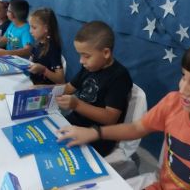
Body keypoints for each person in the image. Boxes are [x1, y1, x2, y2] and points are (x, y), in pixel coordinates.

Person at [58, 36, 190, 189]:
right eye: (183, 77)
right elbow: (138, 127)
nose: (183, 89)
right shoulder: (174, 103)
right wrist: (95, 132)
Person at [55, 21, 133, 157]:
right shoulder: (89, 67)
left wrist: (76, 104)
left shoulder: (119, 77)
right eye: (80, 55)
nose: (81, 61)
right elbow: (68, 88)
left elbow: (110, 118)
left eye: (86, 56)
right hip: (74, 123)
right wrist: (41, 89)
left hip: (98, 137)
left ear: (106, 52)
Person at [27, 8, 65, 85]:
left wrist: (44, 70)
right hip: (33, 83)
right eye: (30, 27)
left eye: (34, 28)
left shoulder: (53, 48)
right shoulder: (37, 44)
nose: (30, 31)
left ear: (46, 28)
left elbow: (61, 80)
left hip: (45, 90)